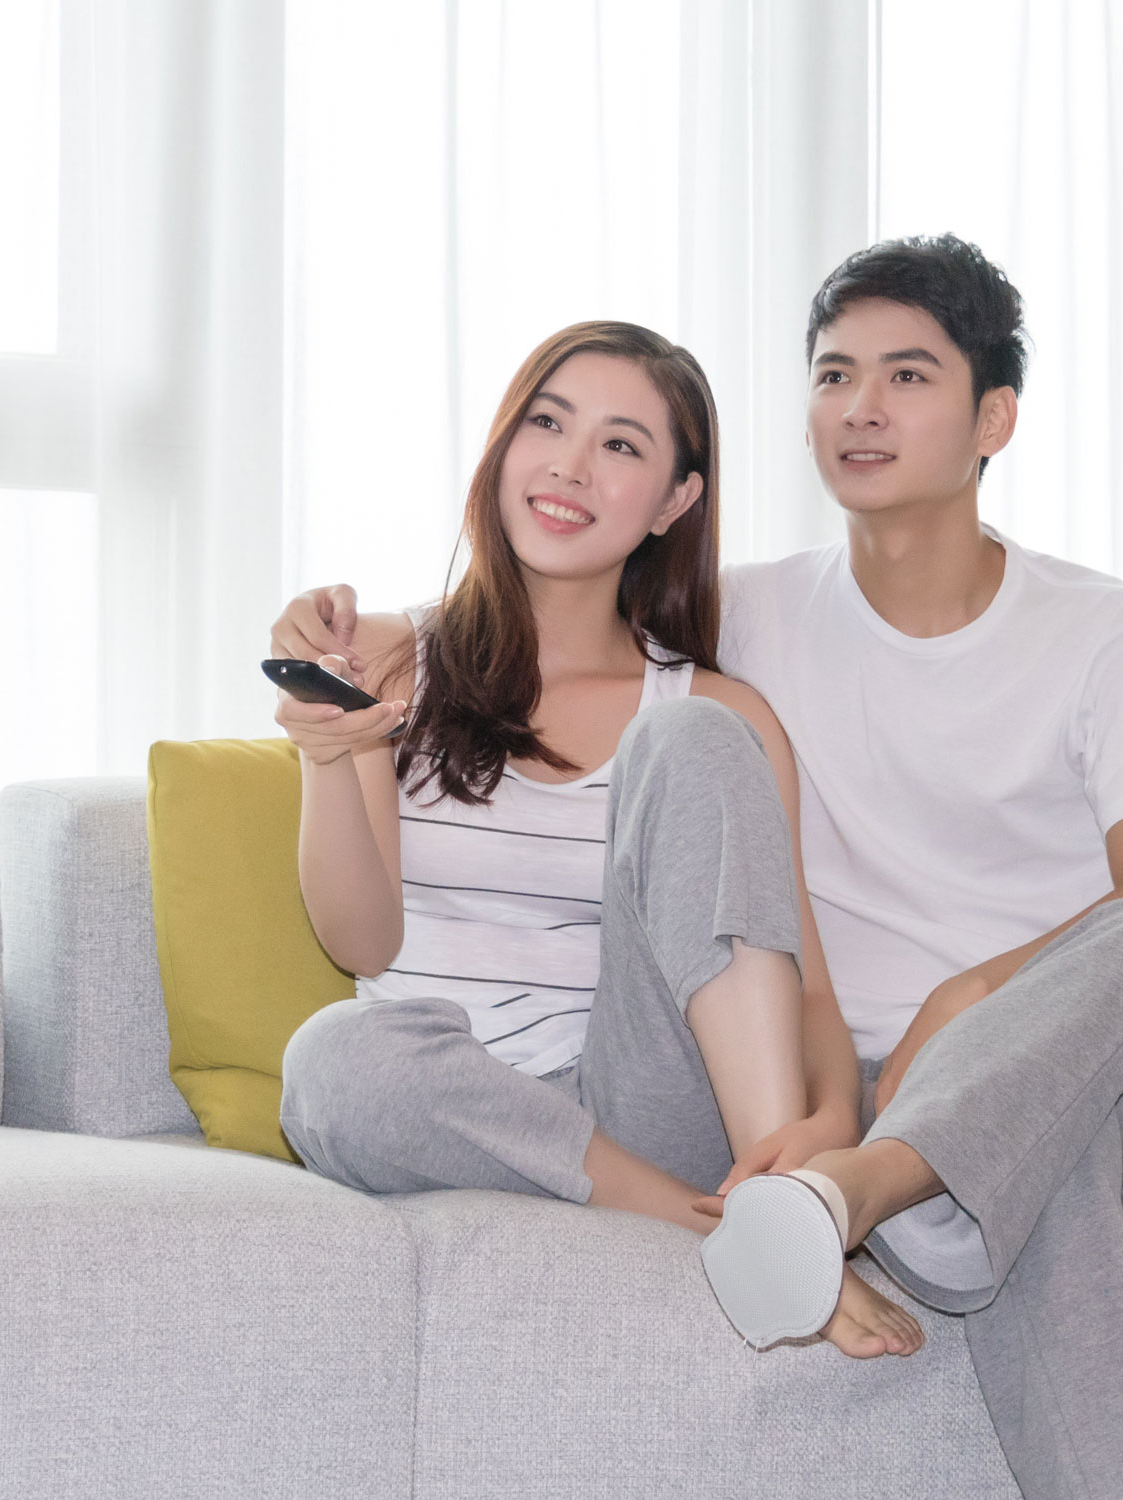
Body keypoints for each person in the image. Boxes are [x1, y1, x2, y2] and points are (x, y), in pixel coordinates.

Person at [275, 240, 1123, 1500]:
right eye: (835, 374)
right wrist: (346, 698)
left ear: (994, 418)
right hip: (669, 1104)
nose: (862, 407)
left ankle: (849, 1195)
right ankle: (793, 1215)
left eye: (907, 376)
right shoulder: (691, 625)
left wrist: (923, 1041)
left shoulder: (1104, 634)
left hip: (1007, 1062)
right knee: (333, 1060)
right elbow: (374, 918)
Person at [271, 319, 923, 1360]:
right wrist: (328, 753)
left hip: (642, 1094)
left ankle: (778, 1206)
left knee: (694, 735)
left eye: (620, 444)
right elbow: (361, 944)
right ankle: (719, 1229)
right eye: (548, 423)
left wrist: (832, 1126)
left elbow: (798, 983)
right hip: (452, 1101)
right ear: (504, 444)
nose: (569, 465)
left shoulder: (718, 710)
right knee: (332, 1059)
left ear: (674, 502)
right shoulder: (390, 658)